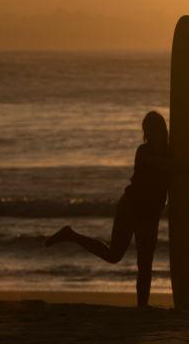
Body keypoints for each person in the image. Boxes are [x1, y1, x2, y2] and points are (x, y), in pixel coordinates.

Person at [45, 111, 170, 308]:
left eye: (156, 131)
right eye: (149, 132)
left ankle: (142, 307)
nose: (153, 135)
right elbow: (169, 167)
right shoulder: (144, 152)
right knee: (114, 256)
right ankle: (71, 235)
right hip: (131, 207)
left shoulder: (170, 153)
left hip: (151, 213)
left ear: (163, 130)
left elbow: (179, 170)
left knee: (145, 264)